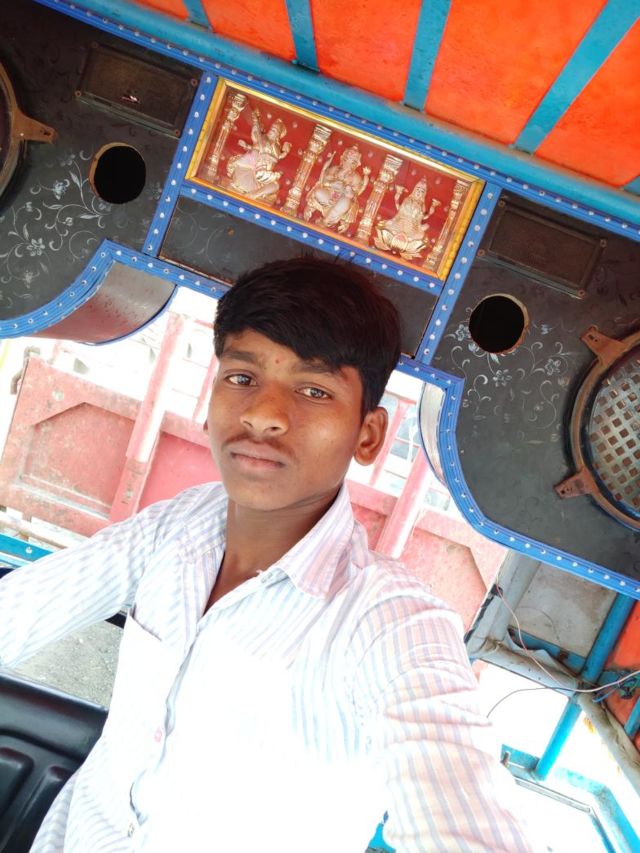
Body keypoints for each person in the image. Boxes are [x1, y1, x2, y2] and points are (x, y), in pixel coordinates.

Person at [0, 257, 533, 852]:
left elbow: (462, 816)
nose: (263, 415)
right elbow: (19, 610)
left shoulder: (392, 623)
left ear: (368, 435)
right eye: (242, 377)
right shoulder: (180, 524)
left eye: (314, 390)